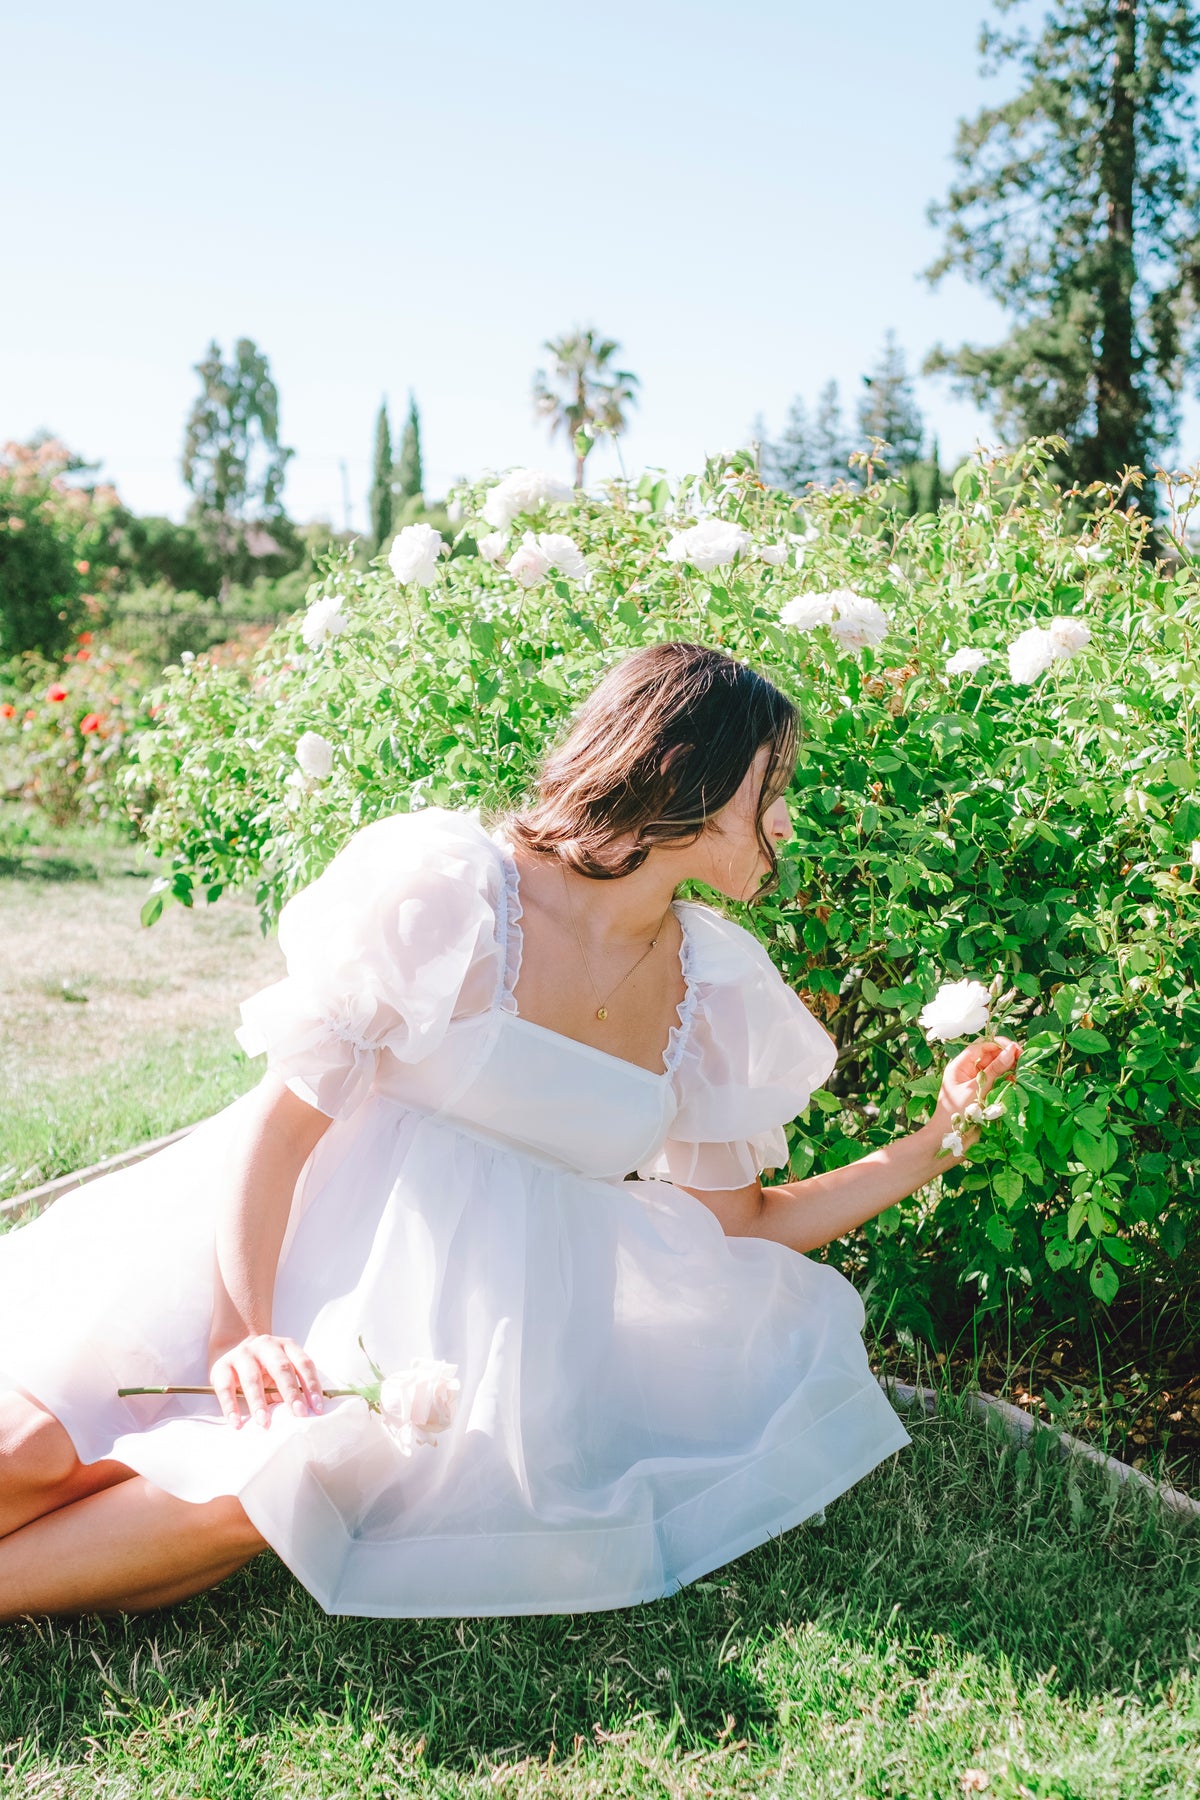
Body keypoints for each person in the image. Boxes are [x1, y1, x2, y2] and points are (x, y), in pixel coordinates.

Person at [0, 642, 1019, 1622]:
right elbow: (282, 1121)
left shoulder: (715, 992)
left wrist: (936, 1138)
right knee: (36, 1458)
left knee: (253, 1492)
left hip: (425, 1345)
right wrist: (243, 1333)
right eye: (770, 783)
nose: (787, 817)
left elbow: (742, 1225)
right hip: (259, 1260)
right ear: (684, 776)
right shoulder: (458, 890)